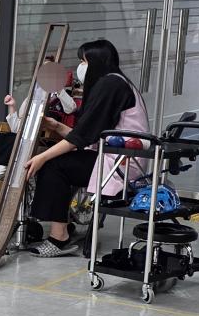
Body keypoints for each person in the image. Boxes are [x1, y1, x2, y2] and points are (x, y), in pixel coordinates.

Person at [22, 39, 149, 257]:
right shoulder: (115, 82)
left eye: (84, 61)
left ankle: (59, 237)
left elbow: (81, 137)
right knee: (57, 161)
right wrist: (56, 126)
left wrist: (42, 158)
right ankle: (61, 225)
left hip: (121, 163)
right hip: (114, 157)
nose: (80, 67)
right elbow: (87, 133)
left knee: (54, 165)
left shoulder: (111, 84)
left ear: (97, 62)